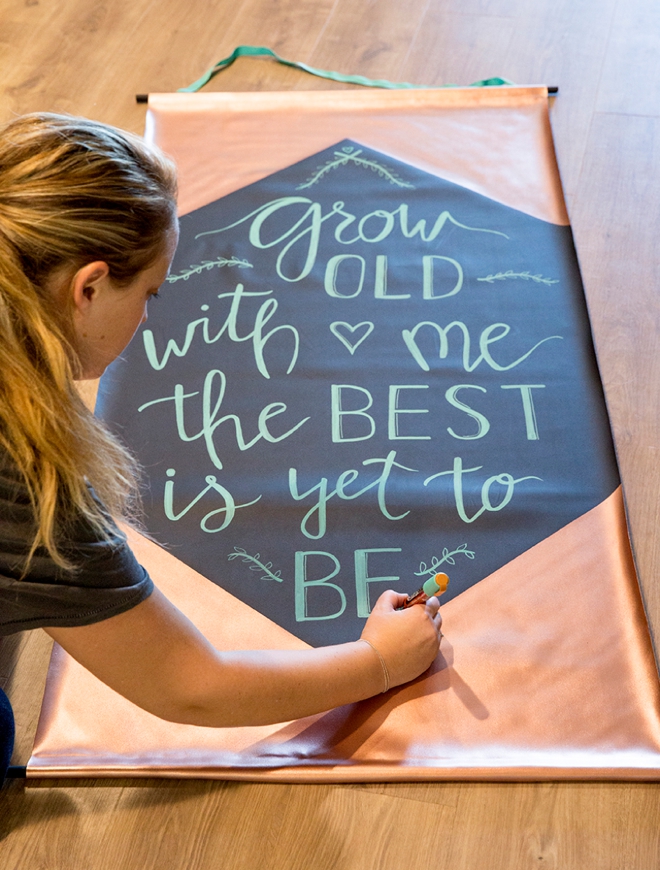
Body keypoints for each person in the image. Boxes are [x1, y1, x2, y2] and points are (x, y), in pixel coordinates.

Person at [0, 113, 442, 780]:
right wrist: (379, 660)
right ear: (87, 288)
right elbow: (189, 684)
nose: (149, 317)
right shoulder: (28, 486)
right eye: (148, 292)